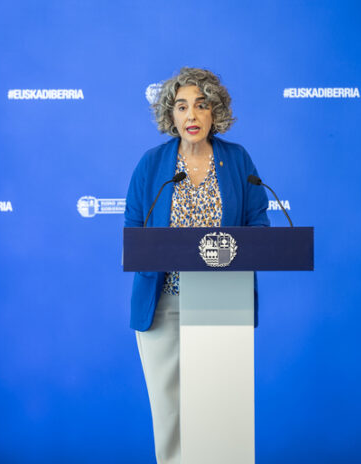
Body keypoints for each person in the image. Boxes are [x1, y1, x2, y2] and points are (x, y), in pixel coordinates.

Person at [124, 67, 269, 464]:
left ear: (214, 112)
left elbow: (259, 224)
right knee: (170, 416)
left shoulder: (237, 160)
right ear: (170, 115)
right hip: (163, 304)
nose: (191, 115)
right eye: (182, 106)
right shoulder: (152, 165)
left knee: (222, 417)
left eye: (201, 106)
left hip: (222, 302)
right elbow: (134, 228)